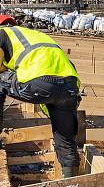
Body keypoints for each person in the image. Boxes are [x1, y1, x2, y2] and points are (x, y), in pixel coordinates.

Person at [0, 15, 82, 177]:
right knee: (66, 141)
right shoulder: (36, 35)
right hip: (70, 87)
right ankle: (71, 186)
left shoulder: (2, 33)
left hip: (39, 83)